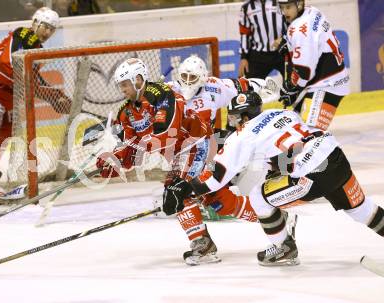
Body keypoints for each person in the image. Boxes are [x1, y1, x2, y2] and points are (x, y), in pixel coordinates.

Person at [163, 89, 384, 266]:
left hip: (310, 174)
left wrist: (186, 189)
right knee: (361, 208)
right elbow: (280, 153)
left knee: (259, 195)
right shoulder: (281, 113)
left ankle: (283, 249)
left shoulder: (240, 137)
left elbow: (215, 179)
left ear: (244, 116)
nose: (232, 123)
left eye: (234, 117)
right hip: (334, 156)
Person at [96, 57, 263, 265]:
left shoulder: (163, 95)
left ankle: (202, 243)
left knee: (177, 190)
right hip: (179, 154)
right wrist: (114, 163)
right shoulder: (126, 113)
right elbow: (132, 154)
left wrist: (138, 146)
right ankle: (273, 217)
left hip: (197, 142)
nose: (122, 89)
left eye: (125, 84)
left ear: (138, 80)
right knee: (217, 200)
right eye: (120, 85)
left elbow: (167, 133)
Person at [0, 7, 60, 185]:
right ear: (35, 23)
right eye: (45, 26)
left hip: (6, 93)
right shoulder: (23, 35)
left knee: (9, 128)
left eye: (52, 29)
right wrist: (51, 96)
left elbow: (34, 80)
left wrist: (55, 96)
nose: (47, 32)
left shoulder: (35, 47)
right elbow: (5, 67)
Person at [277, 0, 349, 131]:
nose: (284, 12)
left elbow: (304, 72)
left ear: (299, 4)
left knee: (310, 134)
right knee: (296, 129)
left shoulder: (299, 29)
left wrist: (292, 89)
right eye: (282, 7)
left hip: (327, 84)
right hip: (327, 79)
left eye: (288, 7)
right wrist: (288, 43)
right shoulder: (312, 11)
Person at [238, 0, 286, 78]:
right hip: (259, 55)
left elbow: (291, 23)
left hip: (282, 51)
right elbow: (245, 33)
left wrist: (284, 38)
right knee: (251, 86)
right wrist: (244, 58)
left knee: (294, 83)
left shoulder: (280, 1)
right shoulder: (246, 6)